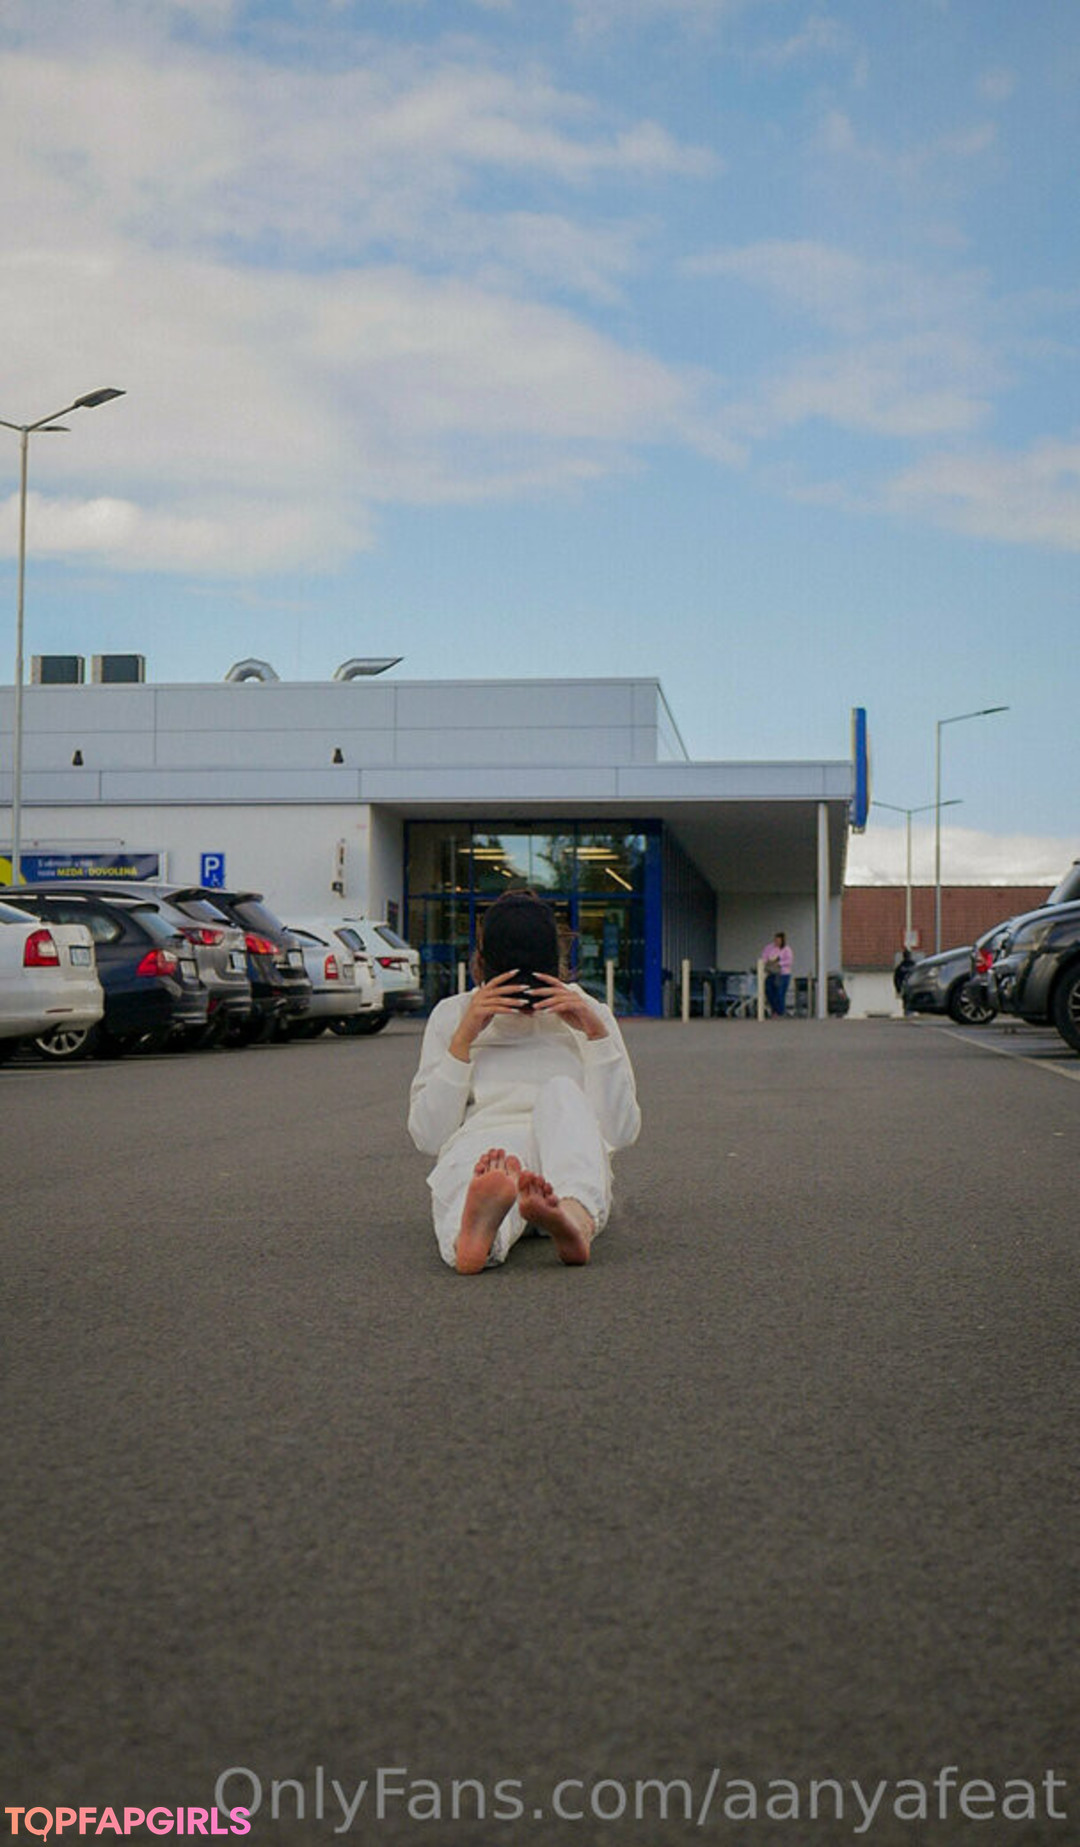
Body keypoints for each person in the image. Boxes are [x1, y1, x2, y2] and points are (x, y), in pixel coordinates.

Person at [408, 888, 641, 1274]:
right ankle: (475, 1239)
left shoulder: (589, 1013)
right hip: (490, 1149)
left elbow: (621, 1130)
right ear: (483, 967)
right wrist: (463, 1039)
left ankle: (572, 1219)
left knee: (562, 1092)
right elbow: (429, 1136)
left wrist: (596, 1036)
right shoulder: (454, 1015)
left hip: (567, 1156)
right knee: (483, 1158)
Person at [760, 930, 793, 1018]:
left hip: (782, 974)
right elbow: (764, 957)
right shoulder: (769, 948)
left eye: (779, 940)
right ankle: (774, 1009)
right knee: (769, 991)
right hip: (771, 973)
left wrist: (779, 963)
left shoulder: (787, 949)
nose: (776, 942)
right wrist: (767, 962)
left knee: (779, 992)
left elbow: (789, 961)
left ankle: (780, 1011)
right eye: (775, 940)